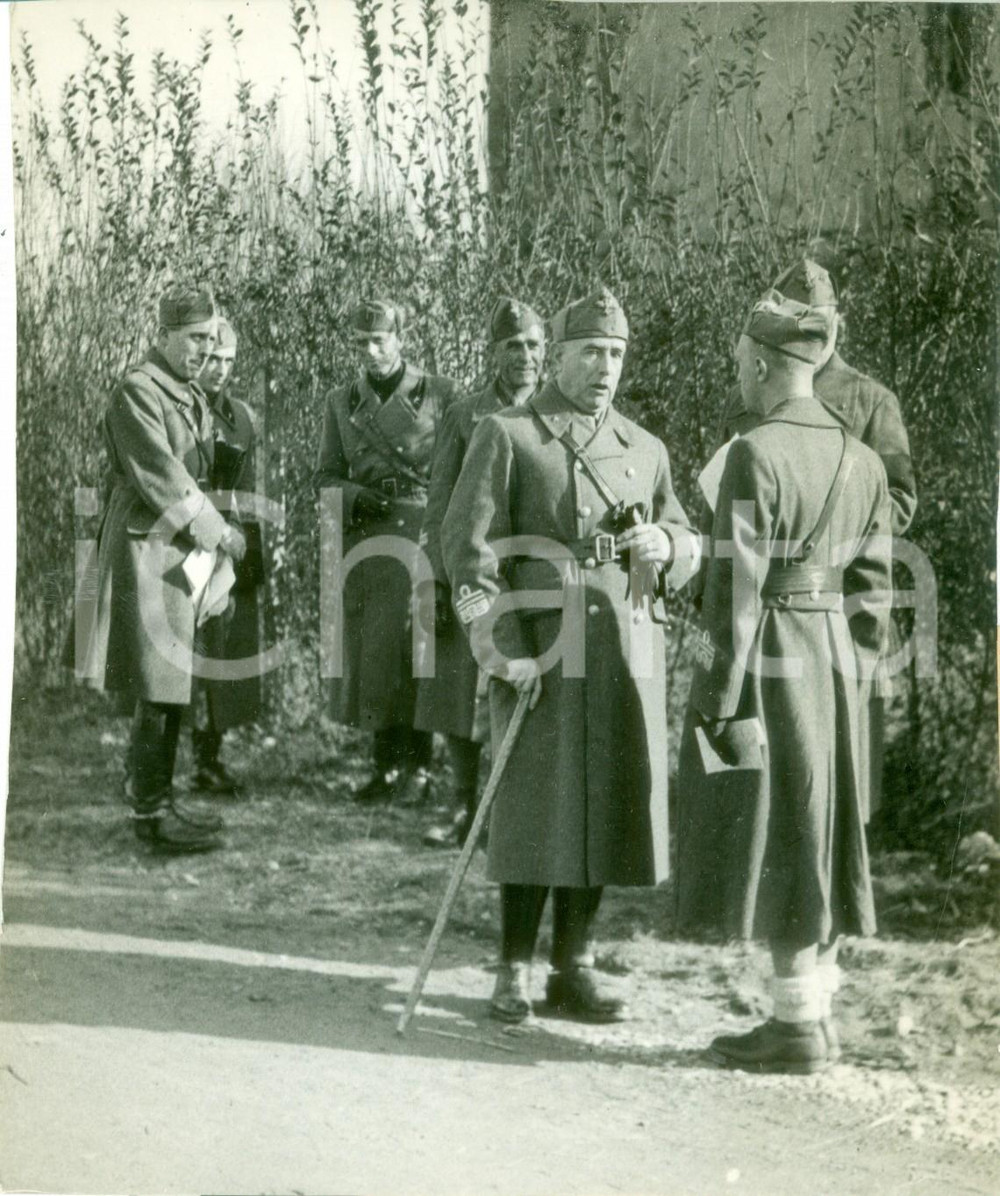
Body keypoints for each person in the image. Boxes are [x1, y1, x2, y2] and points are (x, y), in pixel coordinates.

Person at [442, 288, 701, 1023]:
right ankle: (513, 968)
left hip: (619, 652)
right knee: (534, 810)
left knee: (604, 809)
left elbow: (684, 536)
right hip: (540, 656)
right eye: (590, 352)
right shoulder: (508, 434)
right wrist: (503, 652)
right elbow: (467, 556)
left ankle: (573, 966)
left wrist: (672, 546)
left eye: (616, 355)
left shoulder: (644, 448)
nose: (605, 368)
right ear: (556, 356)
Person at [675, 290, 893, 1073]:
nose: (738, 374)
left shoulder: (753, 454)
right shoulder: (863, 459)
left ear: (765, 362)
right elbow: (874, 595)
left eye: (740, 363)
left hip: (766, 658)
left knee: (768, 826)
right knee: (820, 826)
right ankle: (816, 1015)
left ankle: (795, 1027)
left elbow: (735, 593)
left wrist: (716, 699)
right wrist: (855, 677)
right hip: (833, 667)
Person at [716, 257, 916, 822]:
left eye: (822, 317)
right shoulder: (751, 391)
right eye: (804, 316)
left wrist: (821, 530)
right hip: (757, 604)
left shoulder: (871, 400)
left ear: (839, 324)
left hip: (843, 603)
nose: (816, 328)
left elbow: (897, 500)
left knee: (839, 781)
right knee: (753, 788)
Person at [82, 284, 247, 853]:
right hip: (146, 549)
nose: (203, 349)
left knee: (172, 679)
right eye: (194, 338)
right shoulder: (138, 390)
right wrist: (220, 533)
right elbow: (162, 475)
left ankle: (157, 799)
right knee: (159, 682)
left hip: (174, 547)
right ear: (164, 335)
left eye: (209, 338)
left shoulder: (183, 389)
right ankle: (151, 815)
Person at [315, 298, 458, 804]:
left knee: (420, 652)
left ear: (402, 338)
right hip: (371, 538)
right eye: (362, 343)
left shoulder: (439, 393)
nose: (372, 351)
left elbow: (458, 466)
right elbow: (325, 475)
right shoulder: (341, 401)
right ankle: (386, 768)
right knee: (377, 655)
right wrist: (355, 497)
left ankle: (419, 769)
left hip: (422, 528)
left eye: (381, 340)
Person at [415, 296, 546, 847]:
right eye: (512, 346)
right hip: (476, 574)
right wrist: (437, 583)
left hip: (535, 579)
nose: (524, 356)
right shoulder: (465, 414)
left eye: (533, 345)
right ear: (494, 352)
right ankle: (460, 805)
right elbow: (442, 503)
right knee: (460, 693)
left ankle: (515, 811)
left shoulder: (554, 412)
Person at [190, 316, 267, 795]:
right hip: (178, 535)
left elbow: (248, 489)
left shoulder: (241, 416)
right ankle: (150, 765)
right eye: (212, 358)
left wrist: (247, 551)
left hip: (225, 543)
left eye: (228, 361)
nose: (219, 369)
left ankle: (208, 757)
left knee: (220, 650)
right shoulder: (175, 406)